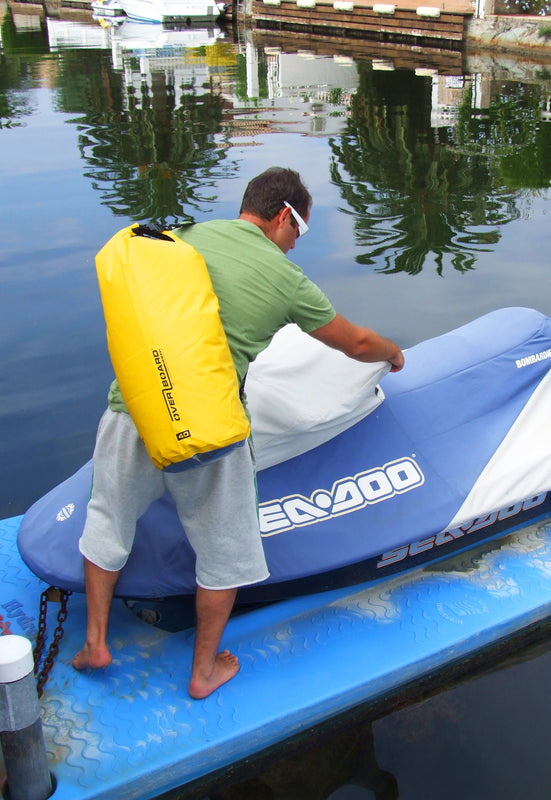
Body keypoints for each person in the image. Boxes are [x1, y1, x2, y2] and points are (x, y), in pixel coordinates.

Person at [72, 167, 405, 699]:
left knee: (107, 518)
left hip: (131, 404)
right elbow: (358, 344)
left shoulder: (185, 239)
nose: (296, 244)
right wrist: (394, 353)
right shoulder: (284, 276)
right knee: (225, 552)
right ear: (281, 217)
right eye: (300, 231)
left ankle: (95, 643)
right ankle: (204, 671)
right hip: (208, 425)